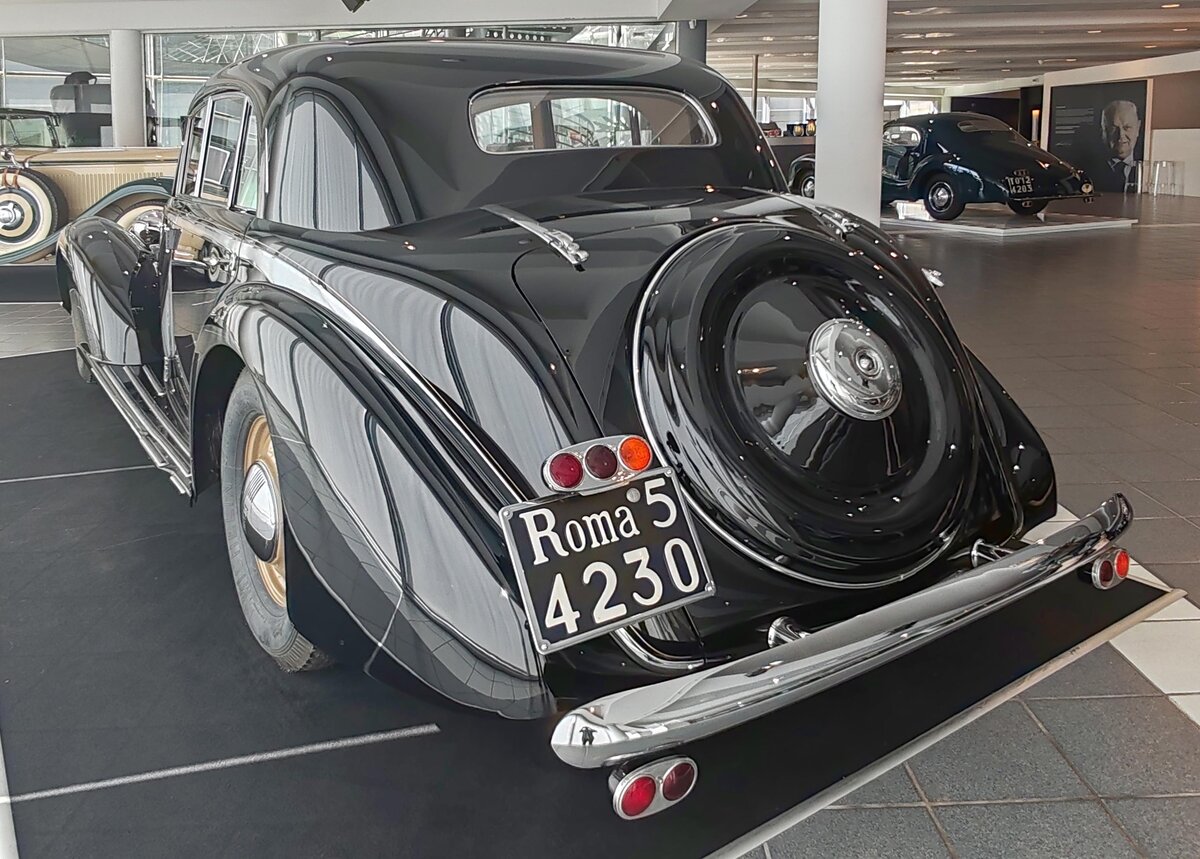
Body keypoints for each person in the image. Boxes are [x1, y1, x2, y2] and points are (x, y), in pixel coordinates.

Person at [1100, 99, 1142, 193]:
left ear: (1138, 128)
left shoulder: (1147, 164)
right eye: (1113, 129)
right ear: (1103, 130)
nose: (1121, 136)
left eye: (1127, 128)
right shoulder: (1087, 168)